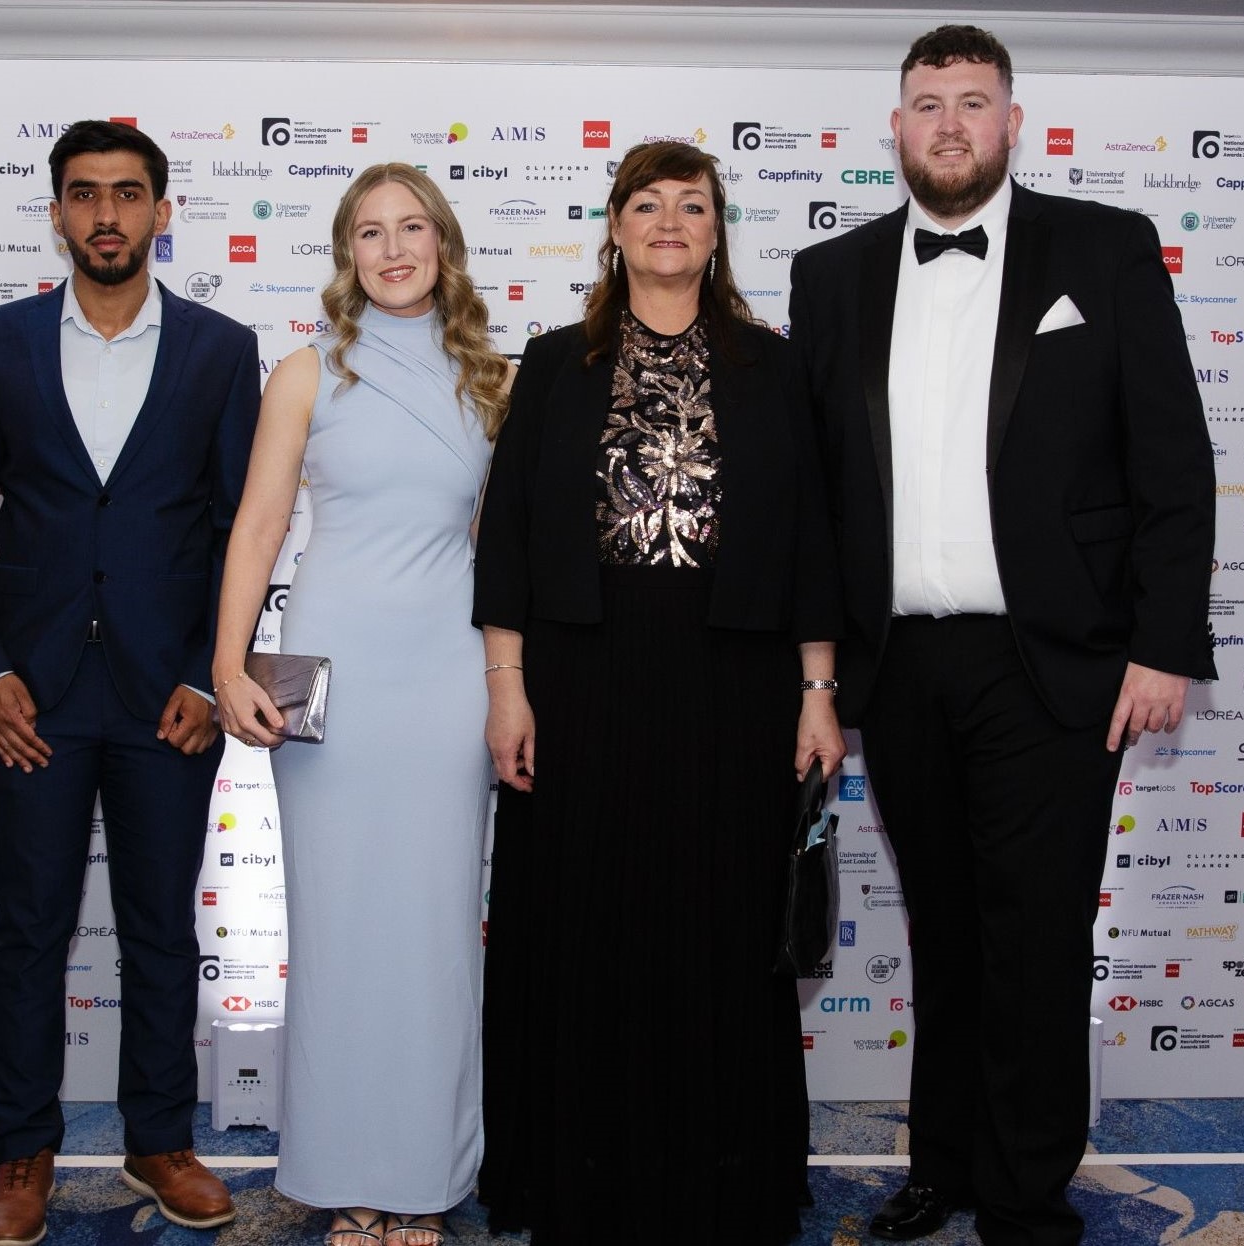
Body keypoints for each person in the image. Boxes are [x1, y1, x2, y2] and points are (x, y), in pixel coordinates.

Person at [789, 25, 1217, 1246]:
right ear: (897, 127)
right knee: (946, 926)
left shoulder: (1106, 248)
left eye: (972, 103)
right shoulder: (833, 275)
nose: (949, 125)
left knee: (1035, 930)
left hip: (1056, 659)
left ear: (1013, 122)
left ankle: (1027, 1192)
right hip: (901, 663)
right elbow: (818, 499)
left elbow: (1172, 466)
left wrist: (1162, 643)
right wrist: (815, 676)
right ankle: (947, 1164)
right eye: (926, 103)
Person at [473, 140, 845, 1246]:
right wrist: (507, 684)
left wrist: (817, 689)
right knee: (581, 929)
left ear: (718, 229)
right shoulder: (552, 363)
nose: (670, 221)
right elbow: (509, 543)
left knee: (723, 931)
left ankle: (722, 1183)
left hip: (732, 681)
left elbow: (812, 544)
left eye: (692, 204)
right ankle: (575, 1180)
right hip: (579, 678)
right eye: (648, 203)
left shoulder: (773, 366)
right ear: (616, 226)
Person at [0, 119, 260, 1246]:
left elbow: (238, 531)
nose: (106, 214)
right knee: (29, 928)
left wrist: (209, 675)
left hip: (170, 697)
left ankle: (160, 1141)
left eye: (128, 194)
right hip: (37, 695)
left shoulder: (221, 348)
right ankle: (21, 1153)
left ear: (163, 212)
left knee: (161, 926)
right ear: (58, 212)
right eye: (84, 195)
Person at [211, 163, 510, 1246]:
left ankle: (425, 1177)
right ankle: (348, 1177)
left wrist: (512, 686)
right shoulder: (303, 372)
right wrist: (229, 660)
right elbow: (255, 528)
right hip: (329, 684)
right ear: (347, 252)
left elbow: (498, 550)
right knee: (337, 931)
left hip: (444, 676)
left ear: (443, 243)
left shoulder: (492, 378)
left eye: (412, 228)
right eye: (370, 232)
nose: (393, 249)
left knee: (434, 932)